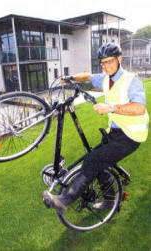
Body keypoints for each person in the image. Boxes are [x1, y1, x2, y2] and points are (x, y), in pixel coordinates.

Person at [43, 43, 149, 214]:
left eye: (110, 61)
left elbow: (139, 108)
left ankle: (64, 200)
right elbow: (89, 77)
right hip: (115, 132)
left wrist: (111, 108)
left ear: (119, 59)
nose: (106, 66)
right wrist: (71, 78)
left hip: (131, 136)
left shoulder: (131, 80)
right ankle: (111, 201)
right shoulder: (107, 77)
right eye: (103, 63)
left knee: (93, 160)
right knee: (100, 165)